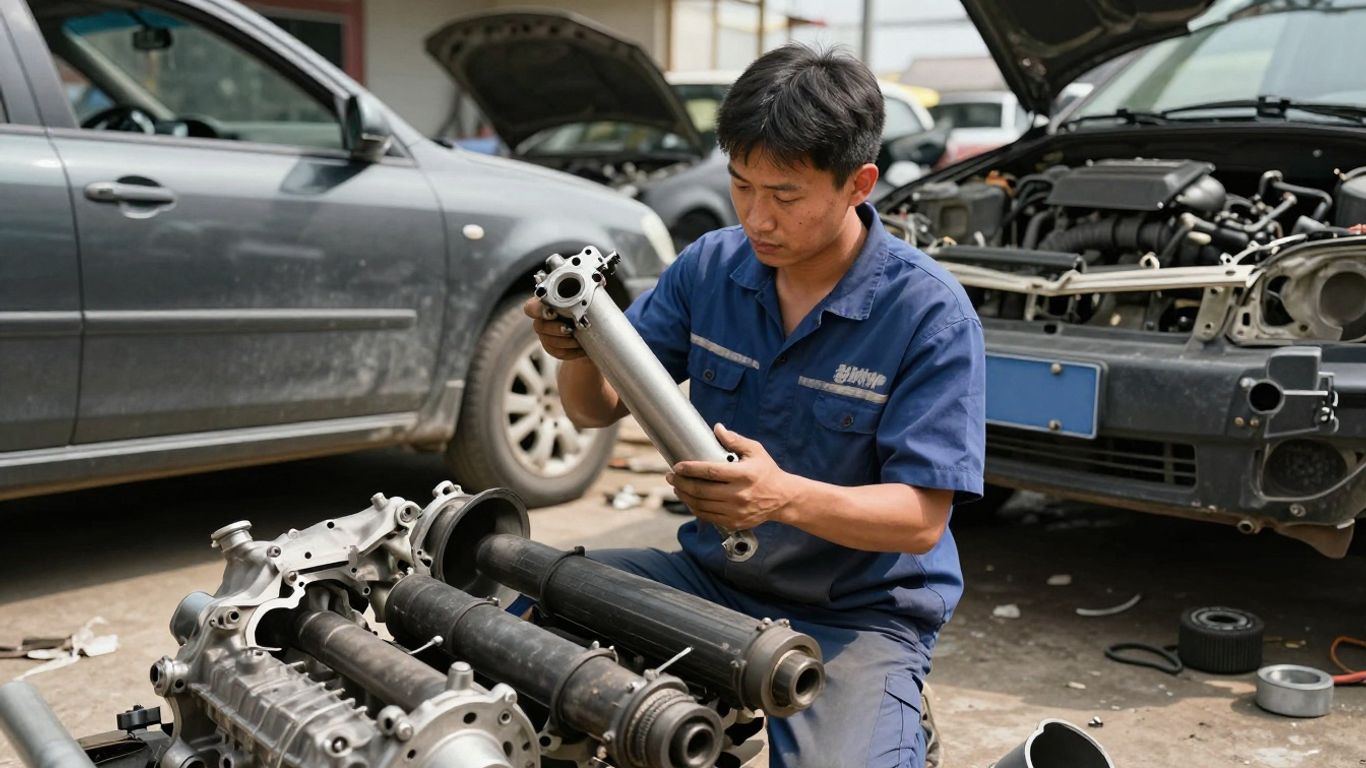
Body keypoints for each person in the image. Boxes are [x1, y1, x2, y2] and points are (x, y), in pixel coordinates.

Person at [523, 43, 984, 768]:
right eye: (742, 186)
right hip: (711, 579)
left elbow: (921, 522)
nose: (758, 217)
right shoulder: (710, 265)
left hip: (856, 611)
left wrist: (779, 499)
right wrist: (576, 348)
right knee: (526, 626)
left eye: (786, 195)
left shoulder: (929, 315)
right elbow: (594, 410)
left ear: (857, 183)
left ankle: (891, 713)